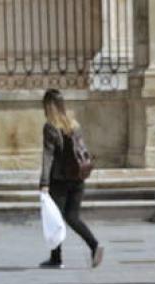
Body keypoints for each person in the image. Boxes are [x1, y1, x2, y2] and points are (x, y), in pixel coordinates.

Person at [38, 89, 103, 268]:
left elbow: (48, 156)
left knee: (55, 219)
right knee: (72, 216)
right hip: (78, 177)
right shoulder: (74, 124)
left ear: (48, 106)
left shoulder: (50, 127)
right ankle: (94, 245)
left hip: (59, 180)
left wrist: (44, 182)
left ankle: (56, 258)